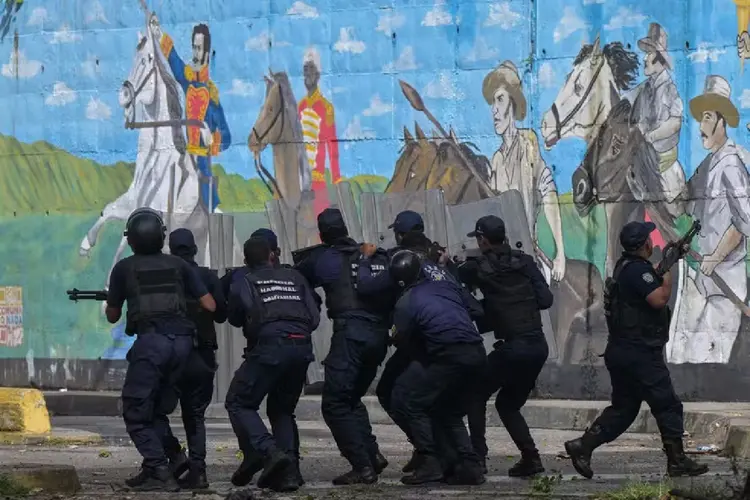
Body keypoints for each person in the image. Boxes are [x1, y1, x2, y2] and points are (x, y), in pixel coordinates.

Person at [565, 221, 708, 479]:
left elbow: (647, 279)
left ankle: (582, 446)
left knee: (624, 409)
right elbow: (658, 298)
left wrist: (670, 258)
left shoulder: (627, 268)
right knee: (668, 405)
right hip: (639, 353)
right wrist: (668, 271)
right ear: (645, 244)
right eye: (648, 239)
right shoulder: (637, 272)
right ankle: (677, 461)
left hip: (623, 351)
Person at [105, 208, 216, 491]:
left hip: (152, 344)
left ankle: (158, 469)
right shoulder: (180, 266)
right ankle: (177, 459)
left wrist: (119, 295)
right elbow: (210, 305)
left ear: (130, 241)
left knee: (134, 409)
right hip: (183, 345)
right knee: (155, 408)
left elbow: (113, 316)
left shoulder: (124, 268)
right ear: (161, 237)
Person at [294, 208, 391, 485]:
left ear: (322, 234)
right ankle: (372, 455)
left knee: (335, 404)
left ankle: (362, 466)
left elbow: (299, 280)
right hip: (378, 337)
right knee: (350, 398)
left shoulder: (324, 259)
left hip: (351, 335)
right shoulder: (370, 253)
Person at [458, 215, 552, 477]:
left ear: (483, 240)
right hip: (537, 347)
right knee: (508, 405)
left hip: (513, 348)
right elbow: (545, 299)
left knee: (476, 395)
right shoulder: (526, 262)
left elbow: (455, 282)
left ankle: (478, 457)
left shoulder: (476, 267)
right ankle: (531, 458)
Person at [225, 237, 320, 493]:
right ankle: (289, 475)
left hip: (269, 348)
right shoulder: (296, 277)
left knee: (238, 402)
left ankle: (268, 451)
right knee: (282, 411)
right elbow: (314, 318)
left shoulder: (244, 281)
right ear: (272, 255)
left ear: (246, 262)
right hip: (301, 349)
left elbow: (235, 318)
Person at [388, 250, 486, 485]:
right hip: (477, 353)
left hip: (448, 355)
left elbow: (400, 339)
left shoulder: (406, 301)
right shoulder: (447, 286)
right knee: (448, 410)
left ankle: (431, 461)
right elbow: (476, 310)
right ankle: (470, 466)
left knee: (410, 402)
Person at [160, 228, 227, 489]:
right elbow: (221, 314)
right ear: (194, 249)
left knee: (153, 411)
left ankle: (173, 457)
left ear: (171, 249)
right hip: (201, 355)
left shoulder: (165, 275)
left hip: (171, 354)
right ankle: (198, 471)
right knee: (195, 416)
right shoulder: (207, 276)